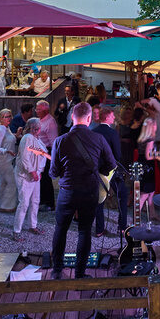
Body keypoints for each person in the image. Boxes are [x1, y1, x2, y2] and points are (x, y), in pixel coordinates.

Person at [50, 102, 116, 279]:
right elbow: (111, 165)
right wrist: (96, 170)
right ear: (89, 118)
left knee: (61, 228)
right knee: (85, 230)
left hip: (67, 191)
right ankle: (79, 273)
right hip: (89, 191)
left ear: (72, 116)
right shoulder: (99, 139)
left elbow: (53, 172)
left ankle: (57, 270)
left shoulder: (60, 141)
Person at [93, 106, 127, 235]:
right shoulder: (112, 133)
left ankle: (99, 229)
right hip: (111, 170)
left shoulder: (94, 131)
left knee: (100, 200)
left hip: (97, 170)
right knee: (122, 196)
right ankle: (122, 227)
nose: (114, 118)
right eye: (112, 116)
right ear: (107, 117)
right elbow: (117, 155)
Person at [13, 117, 47, 240]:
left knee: (35, 201)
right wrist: (32, 171)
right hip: (25, 175)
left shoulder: (36, 139)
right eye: (38, 127)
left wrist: (39, 171)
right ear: (34, 128)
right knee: (24, 203)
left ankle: (33, 225)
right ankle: (16, 231)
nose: (39, 129)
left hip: (34, 175)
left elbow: (41, 155)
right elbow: (25, 158)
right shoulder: (27, 138)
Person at [35, 100, 58, 211]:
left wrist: (52, 159)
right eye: (36, 109)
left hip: (47, 152)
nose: (36, 111)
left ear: (46, 110)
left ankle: (50, 203)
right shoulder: (40, 120)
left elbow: (54, 143)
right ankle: (42, 200)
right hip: (39, 152)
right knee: (41, 178)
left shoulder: (50, 122)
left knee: (46, 179)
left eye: (39, 109)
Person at [0, 108, 18, 212]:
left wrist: (17, 134)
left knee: (4, 182)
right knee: (11, 182)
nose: (8, 118)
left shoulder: (6, 128)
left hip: (7, 159)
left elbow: (9, 139)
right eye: (5, 117)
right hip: (3, 160)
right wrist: (7, 151)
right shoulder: (0, 130)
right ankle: (7, 206)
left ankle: (3, 204)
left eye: (9, 116)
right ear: (0, 119)